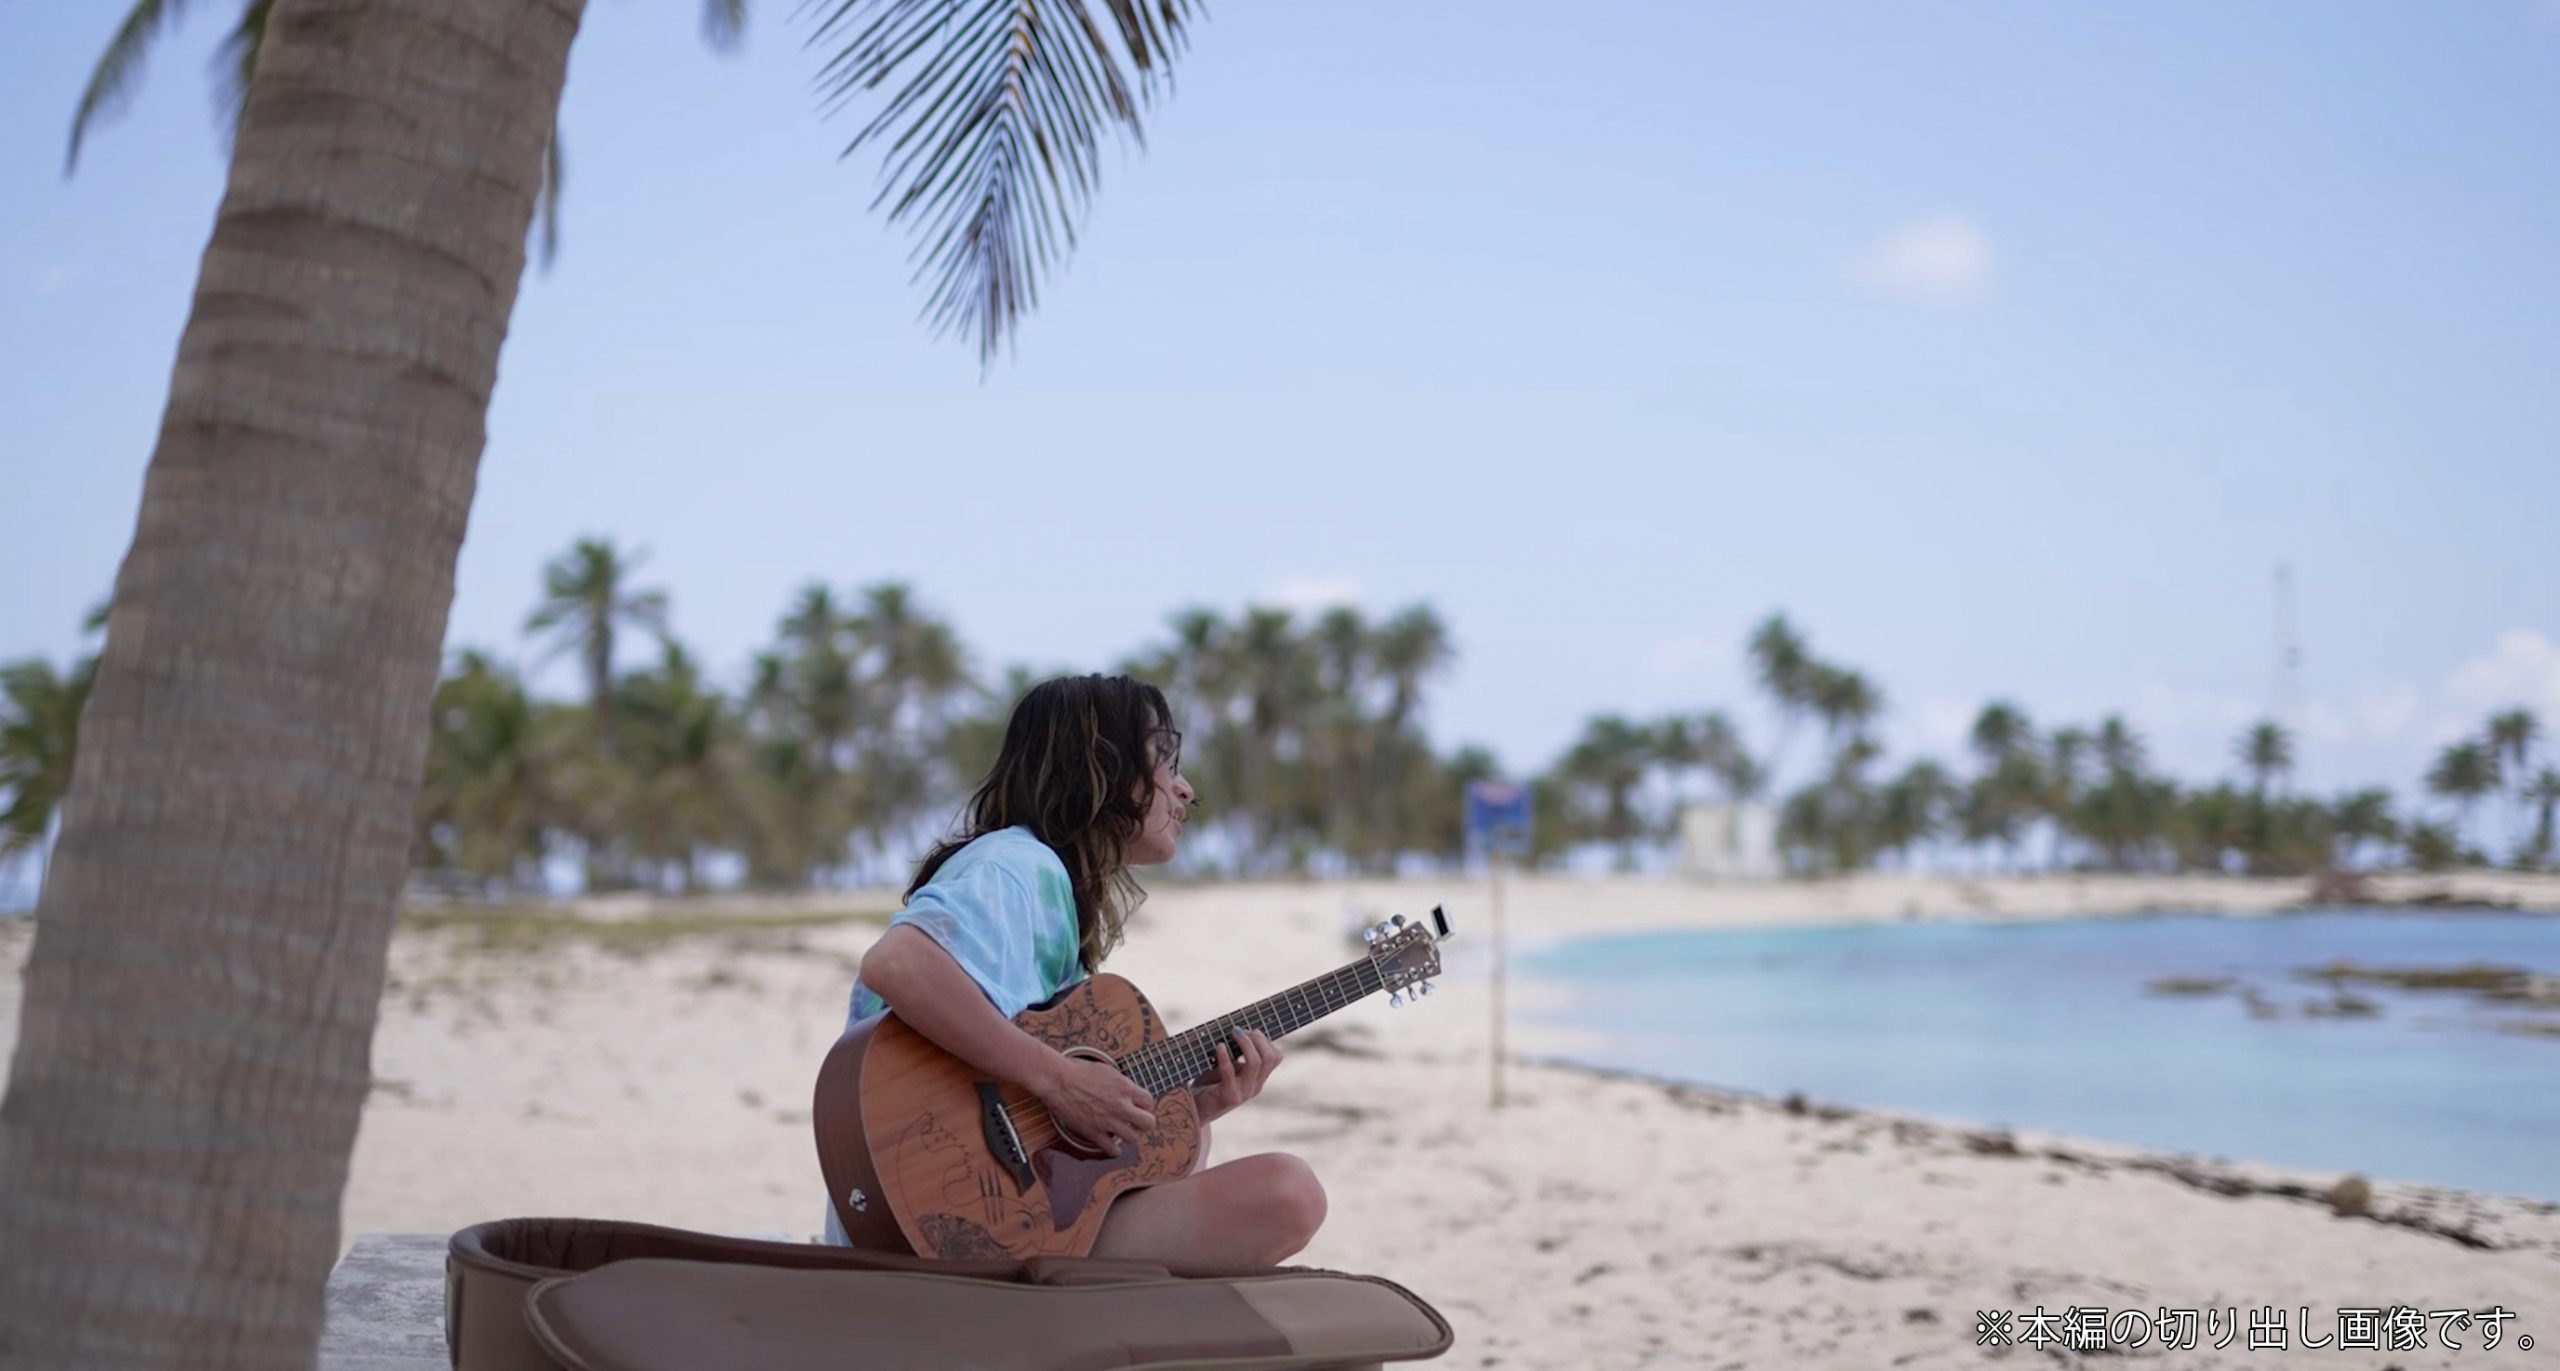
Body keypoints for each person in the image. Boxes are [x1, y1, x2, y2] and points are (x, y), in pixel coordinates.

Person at [823, 673, 1327, 1267]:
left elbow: (1058, 1144)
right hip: (940, 1217)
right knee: (1288, 1193)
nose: (1185, 790)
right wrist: (1061, 1081)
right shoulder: (1016, 864)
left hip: (987, 1213)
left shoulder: (1052, 894)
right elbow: (898, 963)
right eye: (1166, 763)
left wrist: (1191, 1108)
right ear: (1101, 767)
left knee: (1270, 1192)